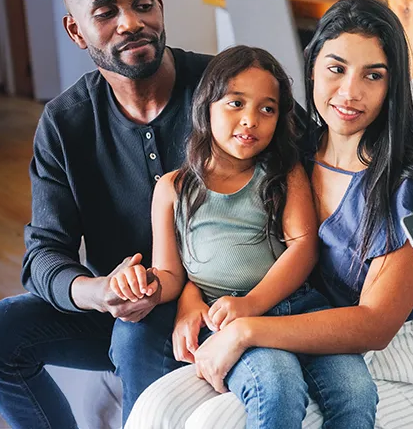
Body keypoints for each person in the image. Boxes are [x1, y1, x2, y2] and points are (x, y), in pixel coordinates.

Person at [0, 0, 413, 429]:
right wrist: (102, 292)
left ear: (160, 6)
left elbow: (333, 146)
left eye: (143, 4)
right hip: (149, 297)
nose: (131, 23)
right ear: (76, 31)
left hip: (247, 299)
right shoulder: (66, 122)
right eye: (107, 13)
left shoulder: (231, 87)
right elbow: (42, 255)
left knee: (144, 342)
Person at [126, 0, 413, 429]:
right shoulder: (289, 157)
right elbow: (221, 245)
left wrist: (245, 330)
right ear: (311, 69)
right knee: (156, 410)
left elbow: (375, 326)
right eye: (336, 68)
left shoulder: (408, 186)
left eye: (373, 75)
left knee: (216, 423)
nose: (350, 91)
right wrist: (192, 301)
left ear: (391, 86)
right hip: (290, 333)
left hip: (395, 362)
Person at [112, 45, 377, 428]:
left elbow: (303, 248)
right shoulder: (172, 188)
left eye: (267, 109)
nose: (251, 119)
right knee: (277, 387)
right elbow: (170, 276)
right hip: (224, 320)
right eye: (236, 103)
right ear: (206, 107)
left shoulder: (283, 173)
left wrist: (252, 303)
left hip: (299, 307)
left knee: (357, 392)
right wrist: (142, 284)